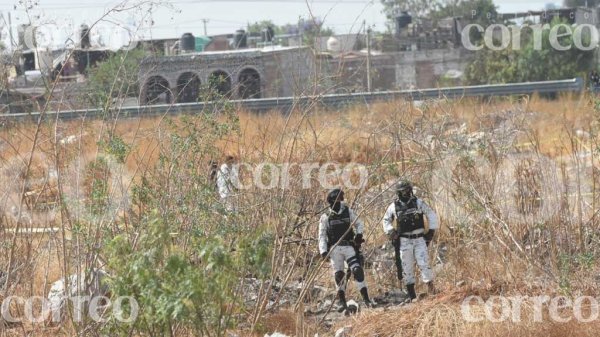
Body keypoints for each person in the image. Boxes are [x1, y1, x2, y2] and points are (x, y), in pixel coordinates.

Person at [318, 188, 374, 312]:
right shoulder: (325, 217)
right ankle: (342, 301)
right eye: (338, 198)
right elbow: (321, 235)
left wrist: (359, 235)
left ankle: (366, 299)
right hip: (334, 249)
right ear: (332, 200)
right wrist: (323, 251)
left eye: (341, 198)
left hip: (349, 246)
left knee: (357, 270)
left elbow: (359, 223)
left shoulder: (348, 211)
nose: (340, 201)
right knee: (339, 275)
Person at [382, 181, 438, 303]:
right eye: (403, 191)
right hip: (404, 241)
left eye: (408, 190)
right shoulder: (393, 206)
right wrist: (391, 231)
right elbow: (386, 221)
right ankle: (412, 296)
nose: (406, 193)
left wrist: (431, 231)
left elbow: (431, 214)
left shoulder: (418, 203)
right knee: (407, 267)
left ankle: (432, 289)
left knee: (424, 263)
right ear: (398, 193)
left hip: (419, 239)